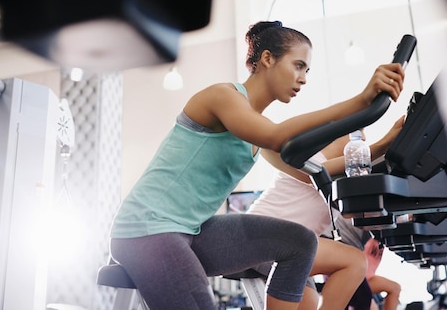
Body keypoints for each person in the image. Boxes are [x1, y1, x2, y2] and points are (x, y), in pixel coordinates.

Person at [108, 20, 406, 310]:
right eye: (298, 65)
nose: (303, 78)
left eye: (307, 70)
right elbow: (277, 136)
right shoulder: (222, 96)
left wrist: (383, 143)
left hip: (191, 230)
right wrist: (362, 101)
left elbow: (312, 168)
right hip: (147, 229)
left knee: (300, 242)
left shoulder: (257, 130)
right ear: (267, 59)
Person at [249, 118, 405, 310]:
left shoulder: (340, 177)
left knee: (309, 304)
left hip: (291, 248)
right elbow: (318, 174)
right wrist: (385, 142)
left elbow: (358, 216)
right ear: (338, 131)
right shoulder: (308, 159)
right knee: (354, 261)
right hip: (264, 235)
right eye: (358, 131)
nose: (362, 139)